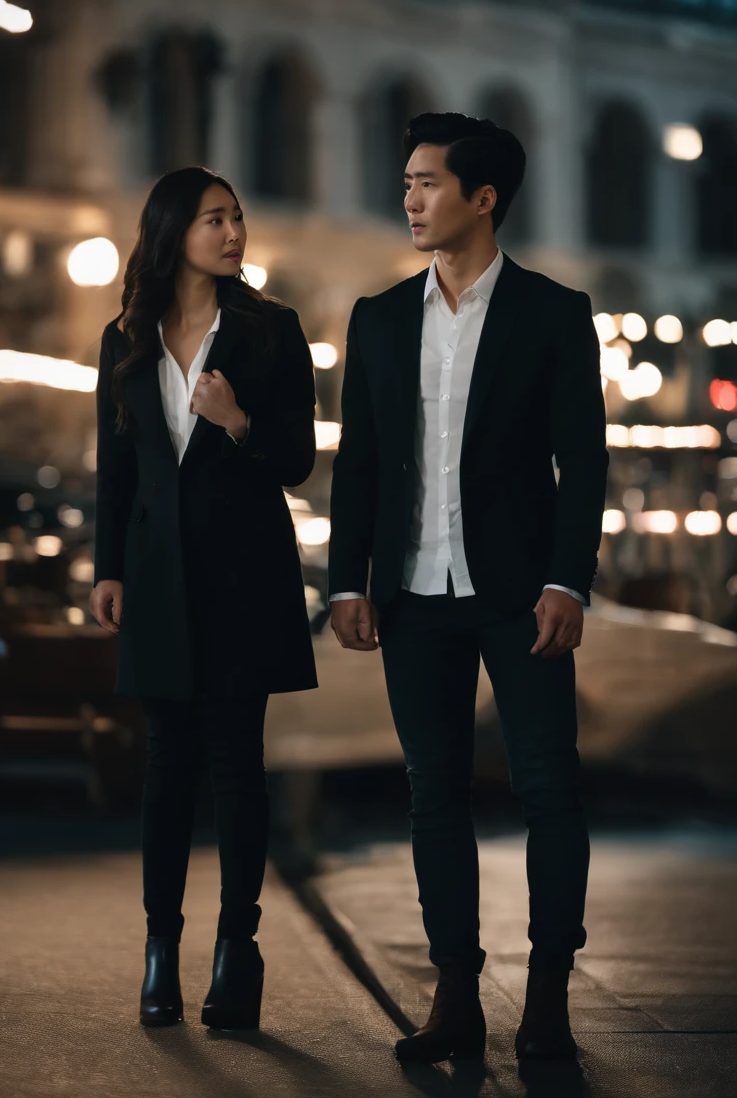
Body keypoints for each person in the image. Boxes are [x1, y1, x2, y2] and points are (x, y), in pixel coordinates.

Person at [328, 113, 608, 1063]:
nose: (409, 198)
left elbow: (586, 459)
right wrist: (345, 584)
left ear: (483, 198)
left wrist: (570, 579)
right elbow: (358, 465)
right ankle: (456, 997)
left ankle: (550, 1000)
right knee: (433, 795)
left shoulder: (554, 312)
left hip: (521, 595)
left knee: (548, 791)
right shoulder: (376, 317)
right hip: (410, 593)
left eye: (428, 183)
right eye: (405, 181)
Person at [89, 167, 318, 1030]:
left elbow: (296, 458)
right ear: (173, 230)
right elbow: (116, 467)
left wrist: (237, 422)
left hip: (244, 576)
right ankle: (159, 950)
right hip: (154, 579)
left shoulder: (271, 331)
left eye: (238, 217)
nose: (234, 232)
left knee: (235, 766)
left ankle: (237, 950)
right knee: (165, 769)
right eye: (215, 219)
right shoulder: (124, 338)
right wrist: (107, 567)